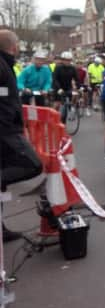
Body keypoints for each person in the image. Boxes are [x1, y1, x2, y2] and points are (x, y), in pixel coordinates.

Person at [0, 30, 43, 242]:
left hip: (7, 128)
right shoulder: (1, 65)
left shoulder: (6, 64)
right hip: (5, 131)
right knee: (32, 164)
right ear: (15, 47)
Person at [52, 51, 79, 121]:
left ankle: (65, 118)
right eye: (66, 60)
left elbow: (77, 79)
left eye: (69, 60)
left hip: (67, 87)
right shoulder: (58, 67)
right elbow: (55, 79)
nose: (67, 62)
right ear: (62, 60)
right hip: (58, 87)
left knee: (67, 103)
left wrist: (79, 87)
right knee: (57, 104)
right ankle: (53, 118)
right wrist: (59, 88)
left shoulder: (72, 68)